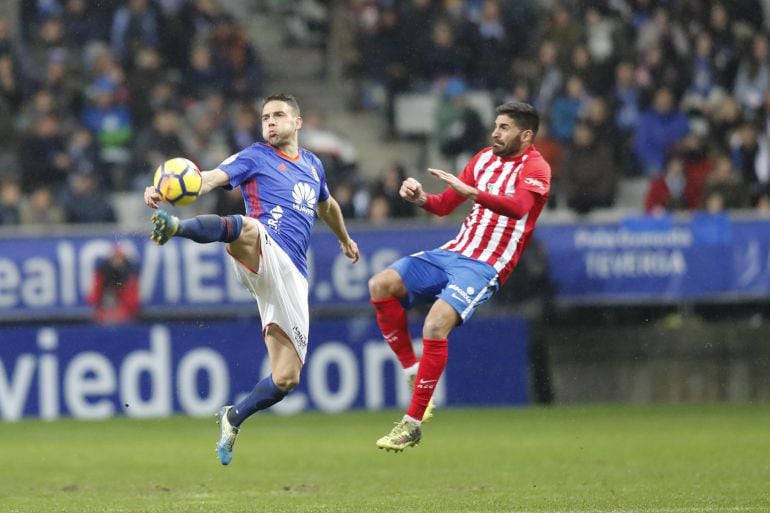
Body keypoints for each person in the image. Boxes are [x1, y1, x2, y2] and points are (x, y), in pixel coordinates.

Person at [143, 93, 360, 465]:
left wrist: (344, 238)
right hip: (261, 249)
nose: (270, 123)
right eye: (265, 117)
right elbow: (207, 179)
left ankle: (233, 417)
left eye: (278, 116)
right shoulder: (254, 156)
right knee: (249, 228)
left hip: (290, 277)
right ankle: (174, 227)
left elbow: (327, 206)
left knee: (287, 378)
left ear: (298, 122)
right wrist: (163, 192)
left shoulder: (313, 165)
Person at [368, 101, 551, 452]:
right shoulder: (483, 158)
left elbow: (519, 208)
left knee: (435, 325)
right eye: (495, 126)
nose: (495, 133)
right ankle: (411, 369)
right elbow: (444, 205)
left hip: (485, 264)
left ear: (526, 135)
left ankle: (411, 425)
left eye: (504, 128)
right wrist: (421, 198)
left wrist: (473, 193)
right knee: (380, 285)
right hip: (453, 251)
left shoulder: (536, 167)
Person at [86, 244, 140, 323]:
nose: (117, 262)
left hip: (124, 314)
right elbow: (93, 297)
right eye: (115, 258)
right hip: (103, 312)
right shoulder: (102, 273)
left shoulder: (129, 275)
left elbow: (132, 303)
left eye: (120, 258)